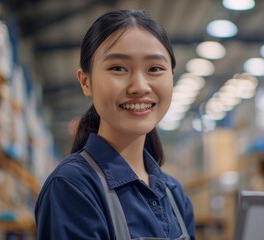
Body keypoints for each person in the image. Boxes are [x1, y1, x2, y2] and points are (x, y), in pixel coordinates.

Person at [34, 9, 196, 240]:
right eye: (118, 68)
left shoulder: (175, 195)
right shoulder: (72, 187)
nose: (139, 86)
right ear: (85, 81)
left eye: (155, 69)